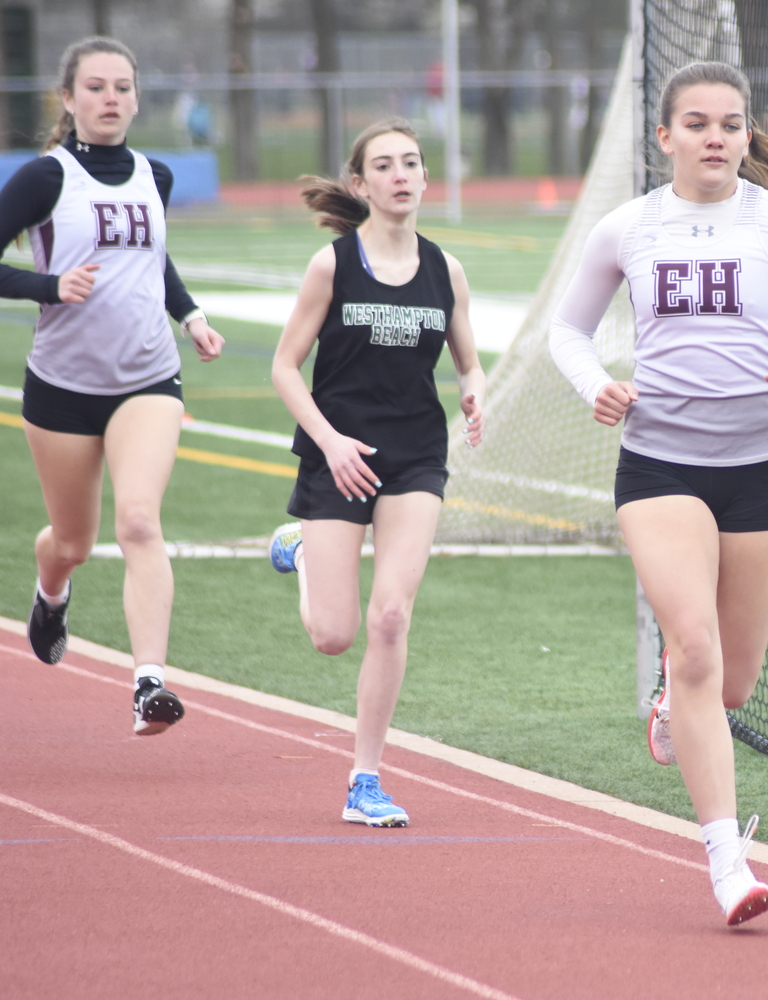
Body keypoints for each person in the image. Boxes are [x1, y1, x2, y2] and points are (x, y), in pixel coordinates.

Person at [549, 62, 768, 924]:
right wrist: (595, 388)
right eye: (696, 123)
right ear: (665, 137)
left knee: (730, 683)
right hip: (660, 465)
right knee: (695, 650)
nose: (715, 137)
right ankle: (727, 860)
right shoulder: (629, 227)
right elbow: (567, 329)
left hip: (762, 467)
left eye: (729, 123)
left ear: (745, 133)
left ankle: (674, 693)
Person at [0, 36, 224, 734]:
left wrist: (189, 316)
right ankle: (52, 587)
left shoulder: (154, 176)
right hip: (63, 387)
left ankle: (148, 684)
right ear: (67, 99)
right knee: (72, 539)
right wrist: (49, 286)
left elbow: (155, 260)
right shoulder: (45, 179)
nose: (110, 99)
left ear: (136, 97)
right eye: (95, 87)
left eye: (122, 87)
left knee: (137, 522)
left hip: (148, 379)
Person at [267, 118, 486, 827]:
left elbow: (468, 360)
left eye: (411, 163)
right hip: (339, 454)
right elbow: (283, 367)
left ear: (425, 179)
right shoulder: (334, 264)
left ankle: (365, 779)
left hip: (416, 456)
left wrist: (475, 389)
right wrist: (329, 442)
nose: (400, 175)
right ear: (360, 184)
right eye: (384, 165)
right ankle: (300, 549)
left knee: (390, 614)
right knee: (332, 634)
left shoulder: (443, 269)